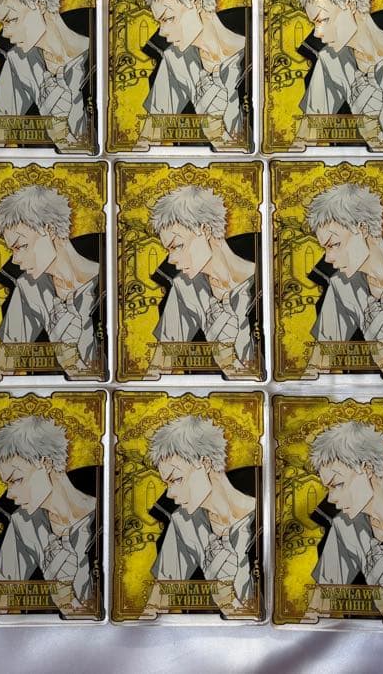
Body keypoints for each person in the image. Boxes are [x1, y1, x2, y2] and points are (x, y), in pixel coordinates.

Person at [0, 416, 98, 617]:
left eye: (17, 480)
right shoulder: (24, 522)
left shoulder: (104, 519)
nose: (9, 494)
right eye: (7, 484)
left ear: (45, 463)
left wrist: (65, 598)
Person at [144, 415, 258, 616]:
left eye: (177, 479)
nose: (170, 494)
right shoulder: (184, 521)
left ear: (204, 463)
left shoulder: (265, 519)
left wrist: (226, 598)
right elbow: (156, 606)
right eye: (167, 483)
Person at [308, 421, 383, 619]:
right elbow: (317, 611)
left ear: (366, 468)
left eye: (338, 484)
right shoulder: (346, 526)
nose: (331, 499)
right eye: (328, 488)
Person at [0, 185, 102, 379]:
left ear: (48, 229)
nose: (15, 260)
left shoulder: (109, 285)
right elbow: (1, 369)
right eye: (12, 250)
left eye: (21, 246)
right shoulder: (29, 286)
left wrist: (69, 357)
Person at [305, 183, 383, 377]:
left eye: (334, 244)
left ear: (362, 229)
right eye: (325, 248)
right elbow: (317, 369)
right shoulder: (342, 285)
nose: (328, 258)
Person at [148, 185, 258, 377]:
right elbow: (158, 369)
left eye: (177, 246)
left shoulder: (265, 283)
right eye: (168, 250)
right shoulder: (186, 287)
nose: (171, 260)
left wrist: (227, 358)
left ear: (205, 230)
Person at [0, 0, 92, 148]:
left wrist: (61, 133)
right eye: (2, 23)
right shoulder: (19, 60)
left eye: (11, 20)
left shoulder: (100, 57)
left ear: (39, 4)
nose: (5, 33)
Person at [295, 0, 383, 145]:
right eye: (315, 23)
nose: (317, 33)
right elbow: (304, 140)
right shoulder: (331, 59)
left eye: (323, 20)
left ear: (350, 5)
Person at [141, 0, 247, 144]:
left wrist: (217, 134)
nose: (162, 32)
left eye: (169, 18)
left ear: (196, 3)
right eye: (160, 22)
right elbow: (149, 139)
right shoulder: (175, 59)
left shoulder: (257, 55)